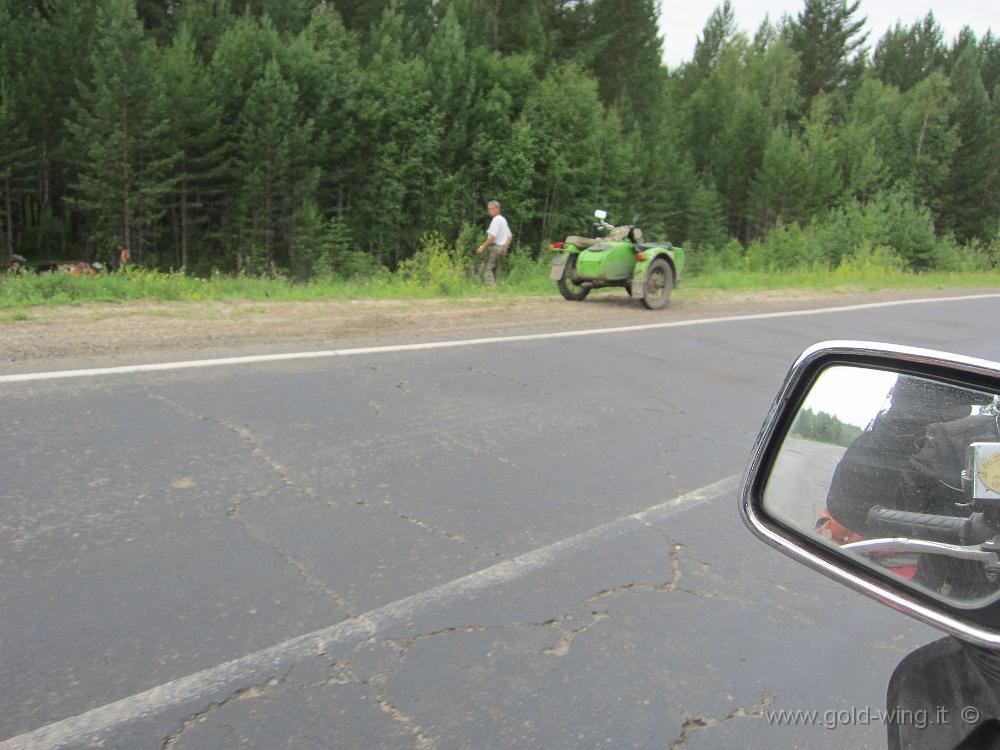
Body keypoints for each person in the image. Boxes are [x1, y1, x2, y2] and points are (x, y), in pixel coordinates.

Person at [475, 200, 511, 287]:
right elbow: (509, 236)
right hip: (501, 248)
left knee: (488, 269)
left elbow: (492, 237)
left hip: (495, 248)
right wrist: (505, 248)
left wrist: (482, 246)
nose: (489, 211)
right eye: (488, 209)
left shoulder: (496, 220)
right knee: (497, 270)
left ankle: (492, 289)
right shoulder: (503, 220)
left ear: (497, 209)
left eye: (491, 208)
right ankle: (497, 289)